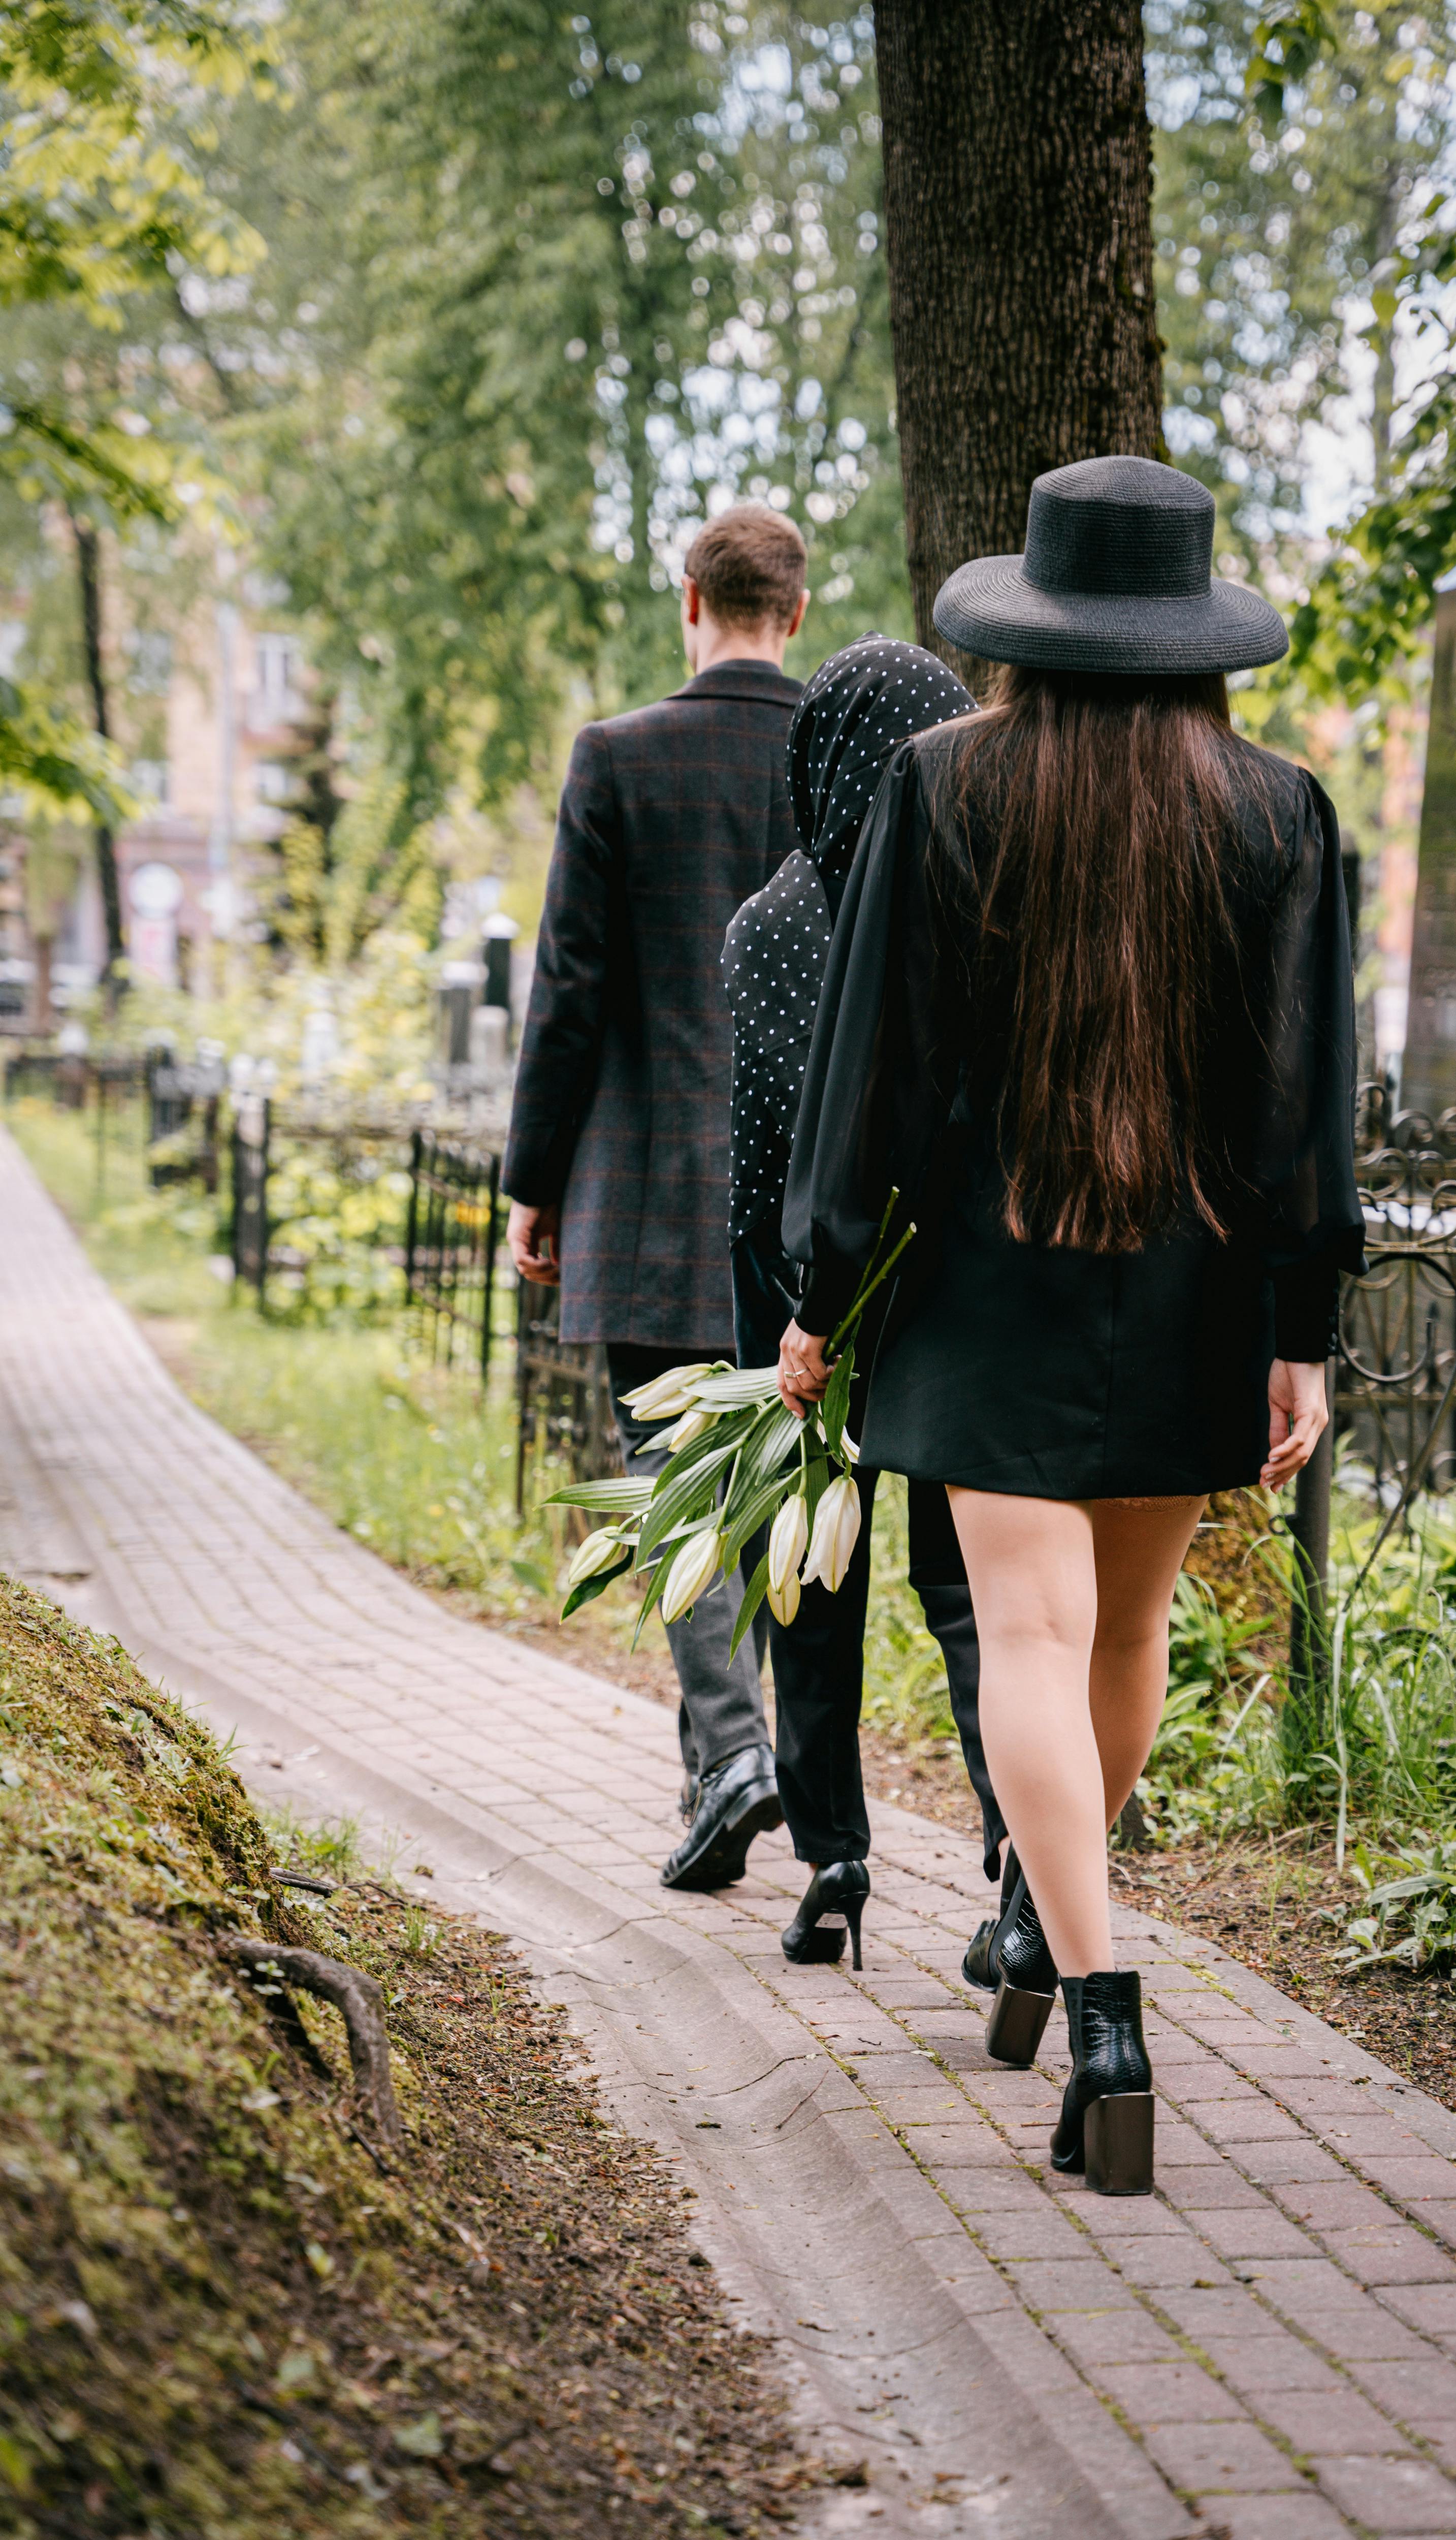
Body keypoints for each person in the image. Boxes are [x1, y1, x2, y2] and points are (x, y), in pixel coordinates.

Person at [776, 456, 1364, 2193]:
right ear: (1194, 637)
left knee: (1026, 1638)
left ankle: (1094, 1991)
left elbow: (861, 1067)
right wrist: (1298, 1323)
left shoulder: (937, 785)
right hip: (1189, 1281)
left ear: (1024, 624)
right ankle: (1060, 1915)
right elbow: (1303, 1111)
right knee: (1125, 1637)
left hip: (983, 1281)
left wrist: (820, 1291)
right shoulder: (1276, 811)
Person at [504, 503, 811, 1892]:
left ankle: (737, 1756)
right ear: (794, 611)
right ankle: (742, 1776)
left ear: (689, 600)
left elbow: (568, 988)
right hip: (812, 1198)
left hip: (643, 1184)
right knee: (796, 1491)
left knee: (678, 1485)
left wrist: (534, 1179)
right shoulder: (849, 759)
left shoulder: (617, 757)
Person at [722, 637, 1007, 1970]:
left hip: (806, 1317)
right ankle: (1018, 1849)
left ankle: (833, 1857)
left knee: (807, 1582)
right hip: (957, 1305)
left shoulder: (770, 928)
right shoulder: (988, 907)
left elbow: (762, 1152)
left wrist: (773, 1318)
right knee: (970, 1592)